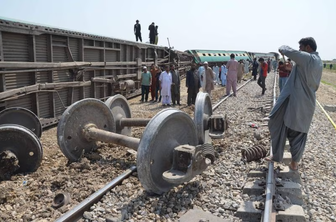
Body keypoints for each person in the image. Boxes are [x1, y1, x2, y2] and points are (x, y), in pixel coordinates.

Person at [266, 37, 322, 172]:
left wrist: (282, 48)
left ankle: (278, 155)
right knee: (299, 133)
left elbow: (289, 51)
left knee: (278, 122)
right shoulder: (318, 62)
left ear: (308, 48)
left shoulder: (308, 58)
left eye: (301, 47)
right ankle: (294, 163)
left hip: (297, 101)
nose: (299, 50)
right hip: (307, 103)